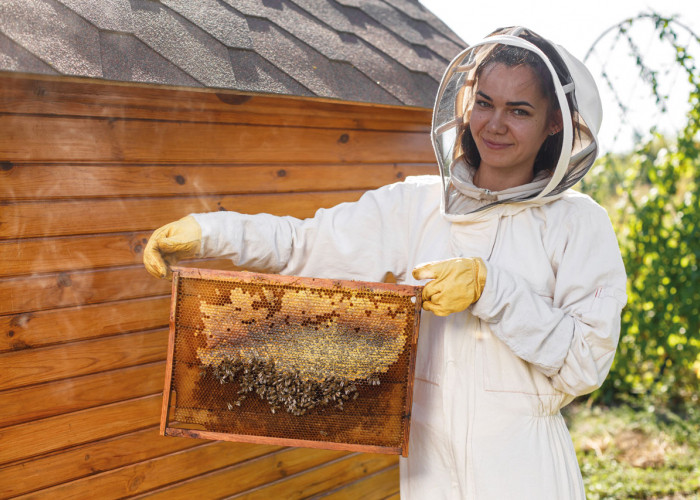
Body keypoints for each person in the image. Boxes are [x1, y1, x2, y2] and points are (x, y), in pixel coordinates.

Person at [144, 27, 627, 499]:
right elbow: (304, 245)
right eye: (484, 103)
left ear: (555, 123)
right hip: (427, 468)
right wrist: (211, 231)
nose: (494, 124)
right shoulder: (413, 205)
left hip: (524, 469)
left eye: (518, 110)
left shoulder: (578, 224)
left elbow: (586, 365)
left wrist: (491, 289)